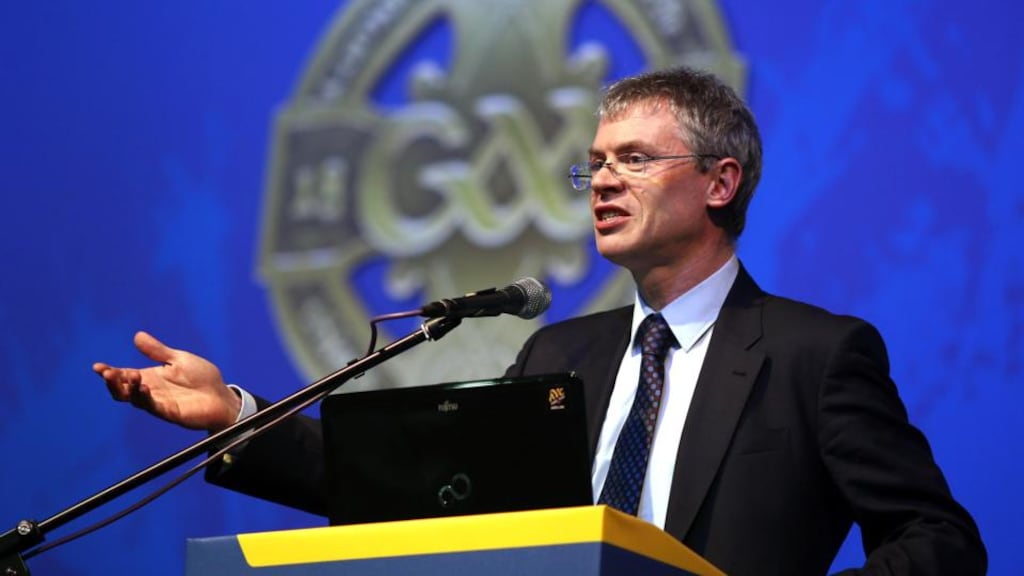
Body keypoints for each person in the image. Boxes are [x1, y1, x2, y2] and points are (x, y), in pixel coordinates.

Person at [95, 66, 986, 575]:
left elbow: (940, 540)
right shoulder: (561, 353)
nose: (600, 181)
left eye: (634, 160)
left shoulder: (814, 354)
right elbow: (418, 494)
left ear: (721, 182)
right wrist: (238, 416)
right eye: (593, 164)